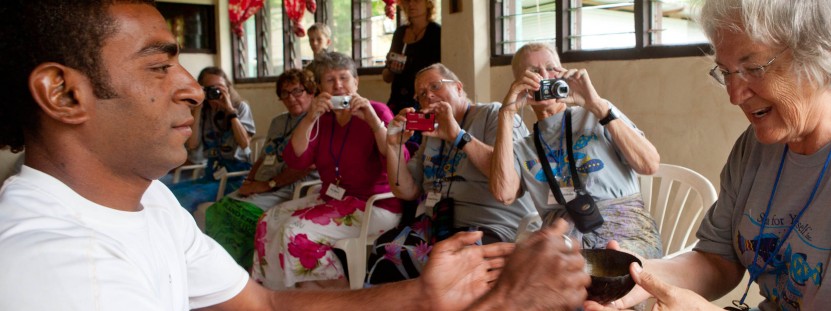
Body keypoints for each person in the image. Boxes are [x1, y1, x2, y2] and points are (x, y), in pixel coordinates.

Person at [0, 1, 590, 310]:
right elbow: (302, 164)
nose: (190, 87)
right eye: (159, 66)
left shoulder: (146, 203)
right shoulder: (60, 269)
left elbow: (263, 303)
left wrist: (422, 297)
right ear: (64, 93)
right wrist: (507, 304)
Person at [585, 0, 831, 310]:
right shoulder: (760, 143)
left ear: (821, 57)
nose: (734, 95)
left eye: (753, 68)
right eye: (725, 72)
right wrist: (638, 274)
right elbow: (717, 260)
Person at [489, 43, 664, 260]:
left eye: (551, 68)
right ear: (519, 84)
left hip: (624, 235)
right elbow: (503, 194)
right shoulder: (522, 147)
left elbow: (649, 164)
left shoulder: (597, 113)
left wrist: (597, 105)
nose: (545, 76)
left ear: (563, 73)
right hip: (563, 245)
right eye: (533, 72)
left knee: (600, 272)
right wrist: (506, 113)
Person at [253, 52, 406, 290]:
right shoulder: (322, 119)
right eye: (329, 80)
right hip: (333, 198)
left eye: (344, 78)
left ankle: (339, 297)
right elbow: (297, 159)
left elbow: (397, 161)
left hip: (373, 205)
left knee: (295, 231)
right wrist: (310, 117)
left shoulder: (377, 111)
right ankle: (279, 293)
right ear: (320, 88)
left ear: (356, 82)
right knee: (267, 220)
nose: (338, 86)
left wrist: (374, 122)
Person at [384, 63, 536, 244]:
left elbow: (507, 175)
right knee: (384, 250)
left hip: (491, 226)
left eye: (435, 86)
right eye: (422, 94)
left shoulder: (492, 114)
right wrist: (394, 146)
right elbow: (406, 190)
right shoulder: (432, 131)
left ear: (458, 87)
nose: (429, 95)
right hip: (441, 227)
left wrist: (458, 136)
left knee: (442, 263)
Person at [204, 69, 321, 270]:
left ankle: (249, 270)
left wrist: (266, 185)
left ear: (311, 92)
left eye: (297, 91)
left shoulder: (319, 122)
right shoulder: (278, 122)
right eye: (285, 93)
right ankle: (222, 269)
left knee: (241, 214)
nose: (291, 98)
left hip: (292, 188)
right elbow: (262, 158)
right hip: (263, 185)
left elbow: (304, 168)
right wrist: (249, 182)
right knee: (216, 210)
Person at [169, 66, 256, 213]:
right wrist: (198, 108)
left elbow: (244, 143)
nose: (215, 92)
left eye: (219, 88)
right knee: (168, 193)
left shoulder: (240, 107)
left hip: (235, 177)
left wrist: (230, 111)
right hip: (211, 174)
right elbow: (192, 144)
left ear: (228, 88)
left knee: (188, 197)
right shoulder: (204, 111)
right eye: (209, 89)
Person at [382, 0, 441, 125]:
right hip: (396, 101)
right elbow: (386, 77)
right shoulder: (400, 33)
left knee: (416, 141)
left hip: (422, 102)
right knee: (391, 136)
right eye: (407, 1)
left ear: (428, 4)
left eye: (416, 1)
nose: (411, 5)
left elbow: (440, 74)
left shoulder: (436, 32)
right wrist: (392, 67)